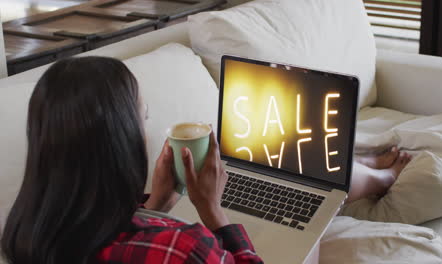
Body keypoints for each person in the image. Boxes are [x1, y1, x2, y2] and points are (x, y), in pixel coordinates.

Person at [0, 57, 263, 264]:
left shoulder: (23, 234)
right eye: (143, 118)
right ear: (122, 139)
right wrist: (212, 210)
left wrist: (155, 206)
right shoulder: (184, 249)